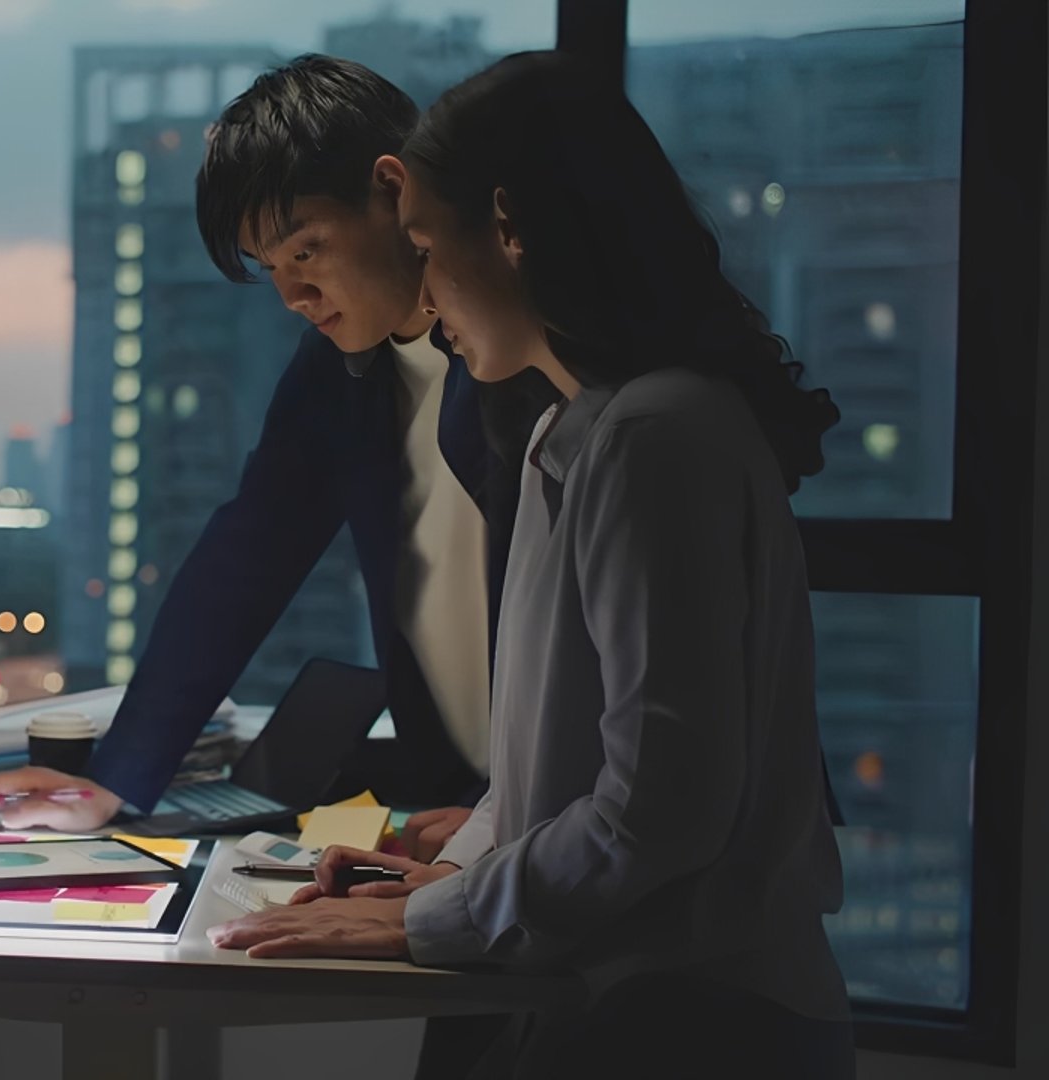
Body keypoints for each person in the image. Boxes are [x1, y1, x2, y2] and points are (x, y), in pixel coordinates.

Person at [209, 51, 855, 1080]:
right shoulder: (576, 432)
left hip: (696, 1017)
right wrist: (441, 879)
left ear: (506, 230)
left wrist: (436, 916)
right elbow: (564, 785)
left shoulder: (657, 435)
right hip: (618, 993)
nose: (422, 284)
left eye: (424, 244)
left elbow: (660, 809)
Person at [0, 53, 550, 1080]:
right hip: (482, 815)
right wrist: (121, 782)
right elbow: (244, 555)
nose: (293, 293)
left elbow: (609, 636)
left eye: (309, 248)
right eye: (269, 267)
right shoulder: (340, 371)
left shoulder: (525, 359)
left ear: (397, 193)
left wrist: (523, 811)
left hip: (589, 828)